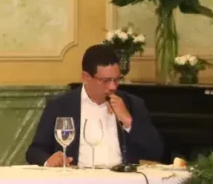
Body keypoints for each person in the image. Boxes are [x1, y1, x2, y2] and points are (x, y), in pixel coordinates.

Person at [26, 44, 163, 167]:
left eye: (117, 79)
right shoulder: (60, 106)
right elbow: (35, 151)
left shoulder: (132, 104)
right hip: (77, 181)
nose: (113, 86)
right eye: (105, 80)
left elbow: (156, 152)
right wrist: (49, 160)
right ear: (86, 77)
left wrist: (128, 122)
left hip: (123, 181)